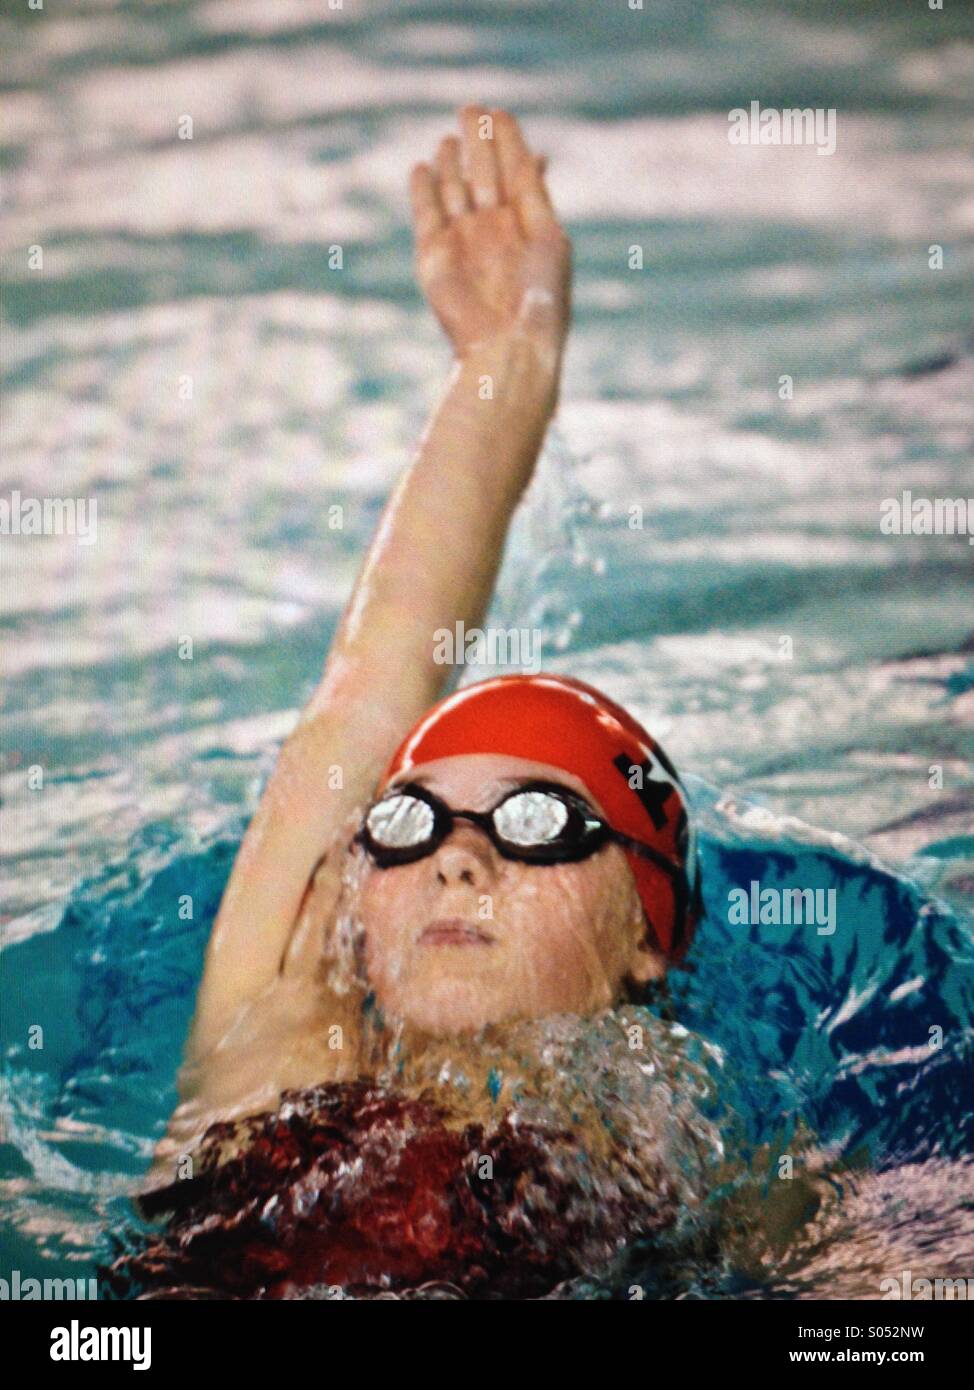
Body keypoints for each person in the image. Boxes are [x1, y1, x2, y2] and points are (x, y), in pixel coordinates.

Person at [127, 106, 705, 1298]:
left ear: (642, 934)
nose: (456, 860)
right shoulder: (283, 1041)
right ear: (354, 907)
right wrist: (506, 362)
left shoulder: (692, 1165)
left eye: (537, 822)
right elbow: (364, 689)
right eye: (407, 821)